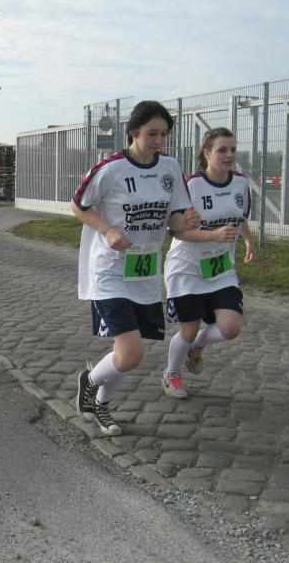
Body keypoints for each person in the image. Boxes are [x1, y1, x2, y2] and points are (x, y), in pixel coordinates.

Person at [71, 101, 200, 436]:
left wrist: (186, 221)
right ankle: (90, 381)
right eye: (152, 133)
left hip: (144, 272)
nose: (158, 141)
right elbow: (78, 205)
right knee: (131, 354)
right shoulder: (110, 168)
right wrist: (107, 230)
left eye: (164, 134)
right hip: (110, 271)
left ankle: (101, 404)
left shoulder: (170, 168)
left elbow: (174, 218)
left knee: (124, 353)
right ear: (133, 132)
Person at [162, 127, 255, 398]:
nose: (229, 155)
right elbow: (177, 232)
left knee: (231, 327)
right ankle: (171, 374)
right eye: (222, 150)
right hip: (187, 268)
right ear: (207, 153)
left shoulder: (240, 183)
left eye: (233, 150)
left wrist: (248, 240)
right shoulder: (191, 186)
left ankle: (195, 347)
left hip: (221, 268)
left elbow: (239, 217)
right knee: (189, 329)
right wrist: (213, 235)